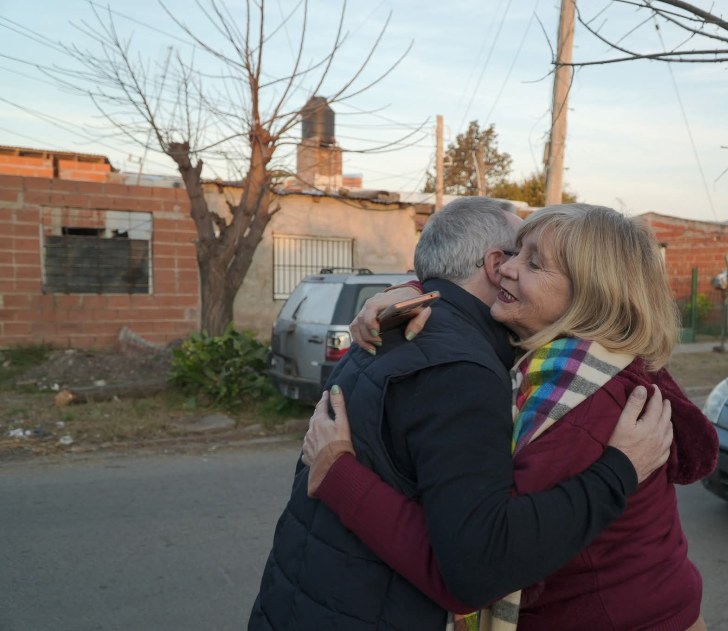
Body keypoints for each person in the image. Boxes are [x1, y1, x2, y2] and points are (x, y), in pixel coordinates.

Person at [248, 197, 674, 630]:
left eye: (531, 260)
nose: (508, 268)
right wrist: (411, 289)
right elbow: (480, 564)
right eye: (512, 254)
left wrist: (339, 473)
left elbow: (480, 564)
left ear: (591, 292)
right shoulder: (464, 361)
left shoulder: (572, 386)